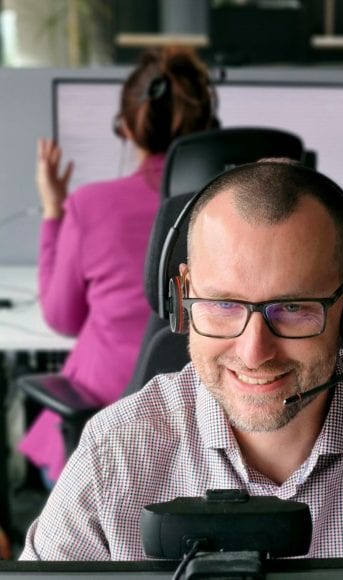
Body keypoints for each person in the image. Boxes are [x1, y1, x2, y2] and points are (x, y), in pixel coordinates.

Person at [19, 161, 343, 560]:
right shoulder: (115, 455)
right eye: (221, 304)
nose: (254, 352)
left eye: (294, 308)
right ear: (182, 297)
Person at [18, 46, 215, 486]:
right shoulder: (226, 209)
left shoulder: (91, 205)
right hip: (208, 442)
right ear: (208, 128)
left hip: (100, 435)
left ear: (125, 127)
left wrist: (53, 212)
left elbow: (61, 317)